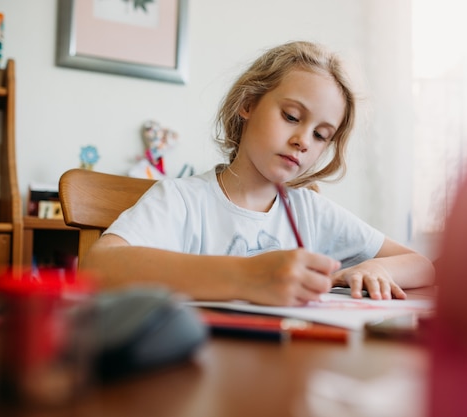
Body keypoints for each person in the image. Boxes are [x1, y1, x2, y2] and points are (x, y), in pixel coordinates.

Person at [82, 41, 435, 306]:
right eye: (292, 117)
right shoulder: (182, 200)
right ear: (248, 103)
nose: (302, 141)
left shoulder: (310, 212)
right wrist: (245, 277)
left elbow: (422, 266)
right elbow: (98, 266)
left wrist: (380, 270)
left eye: (320, 135)